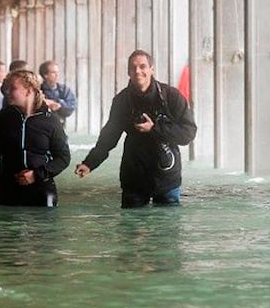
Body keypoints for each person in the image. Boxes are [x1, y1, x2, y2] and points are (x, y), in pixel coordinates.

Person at [74, 50, 197, 208]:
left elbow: (188, 134)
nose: (138, 71)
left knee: (167, 230)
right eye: (133, 68)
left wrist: (155, 129)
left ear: (152, 69)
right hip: (134, 176)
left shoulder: (172, 96)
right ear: (128, 72)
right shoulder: (122, 101)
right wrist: (89, 163)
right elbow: (108, 137)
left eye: (143, 66)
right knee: (131, 230)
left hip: (166, 176)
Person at [0, 69, 70, 206]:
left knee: (44, 227)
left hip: (41, 191)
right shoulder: (1, 118)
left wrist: (36, 175)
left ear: (29, 91)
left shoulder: (51, 121)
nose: (7, 92)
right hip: (6, 189)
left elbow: (63, 158)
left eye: (12, 88)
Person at [39, 60, 76, 125]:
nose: (57, 75)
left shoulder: (64, 89)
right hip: (42, 125)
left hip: (60, 125)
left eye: (58, 72)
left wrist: (60, 106)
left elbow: (72, 106)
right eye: (53, 72)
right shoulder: (39, 90)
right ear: (45, 75)